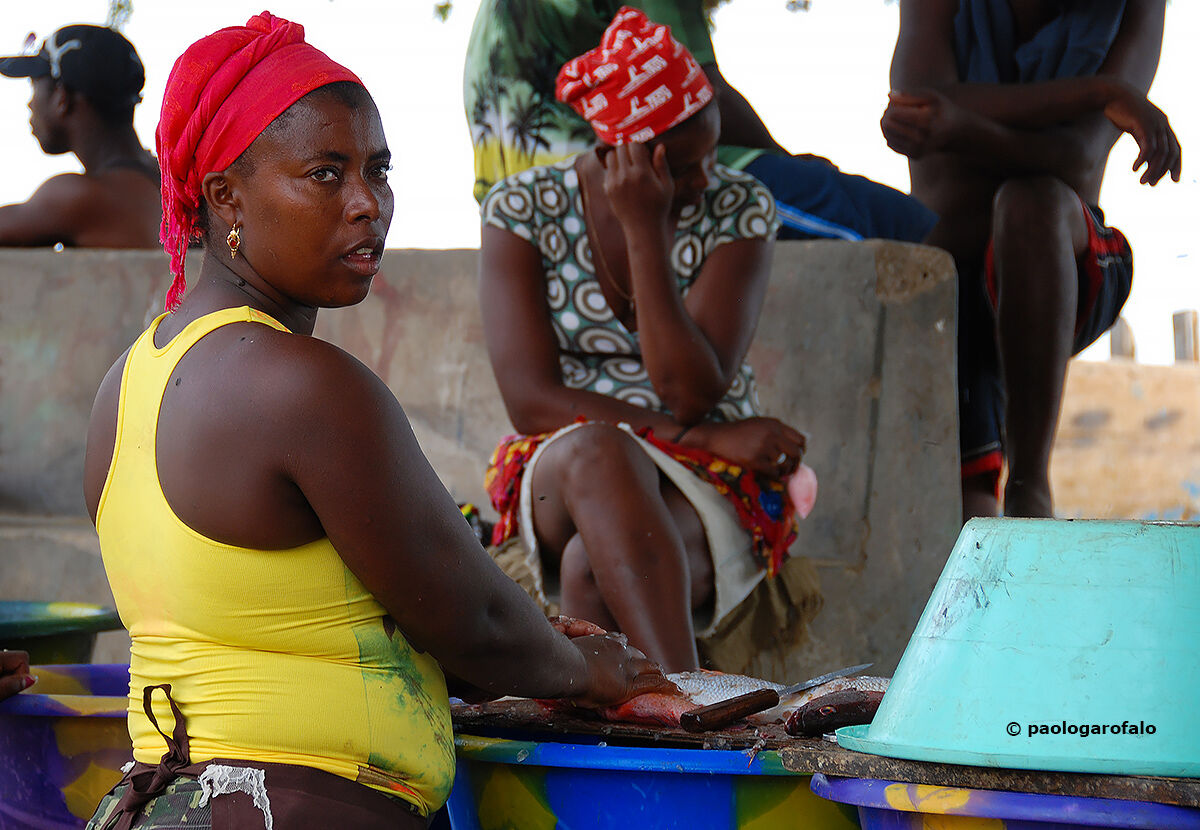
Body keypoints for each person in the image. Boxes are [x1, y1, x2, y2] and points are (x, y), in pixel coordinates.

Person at [82, 14, 670, 829]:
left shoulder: (128, 380)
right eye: (325, 174)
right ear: (225, 196)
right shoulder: (305, 386)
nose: (367, 205)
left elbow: (304, 611)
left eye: (378, 171)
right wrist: (592, 666)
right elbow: (474, 623)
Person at [479, 8, 822, 675]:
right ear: (620, 153)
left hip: (702, 479)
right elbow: (530, 401)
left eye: (711, 155)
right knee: (598, 449)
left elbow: (691, 391)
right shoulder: (520, 209)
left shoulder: (738, 207)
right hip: (568, 462)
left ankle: (645, 724)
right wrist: (702, 436)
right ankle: (693, 700)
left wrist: (646, 232)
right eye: (685, 166)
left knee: (590, 568)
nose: (704, 180)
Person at [882, 0, 1181, 520]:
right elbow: (919, 118)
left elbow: (1079, 163)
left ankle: (1029, 484)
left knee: (1031, 205)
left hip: (1063, 267)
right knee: (961, 515)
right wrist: (1102, 92)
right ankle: (998, 508)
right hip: (950, 272)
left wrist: (961, 123)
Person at [465, 0, 937, 243]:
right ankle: (980, 430)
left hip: (510, 182)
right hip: (615, 172)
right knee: (901, 228)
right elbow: (699, 94)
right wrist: (786, 160)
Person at [0, 24, 160, 248]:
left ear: (62, 98)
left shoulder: (79, 196)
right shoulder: (166, 182)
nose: (29, 103)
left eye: (34, 85)